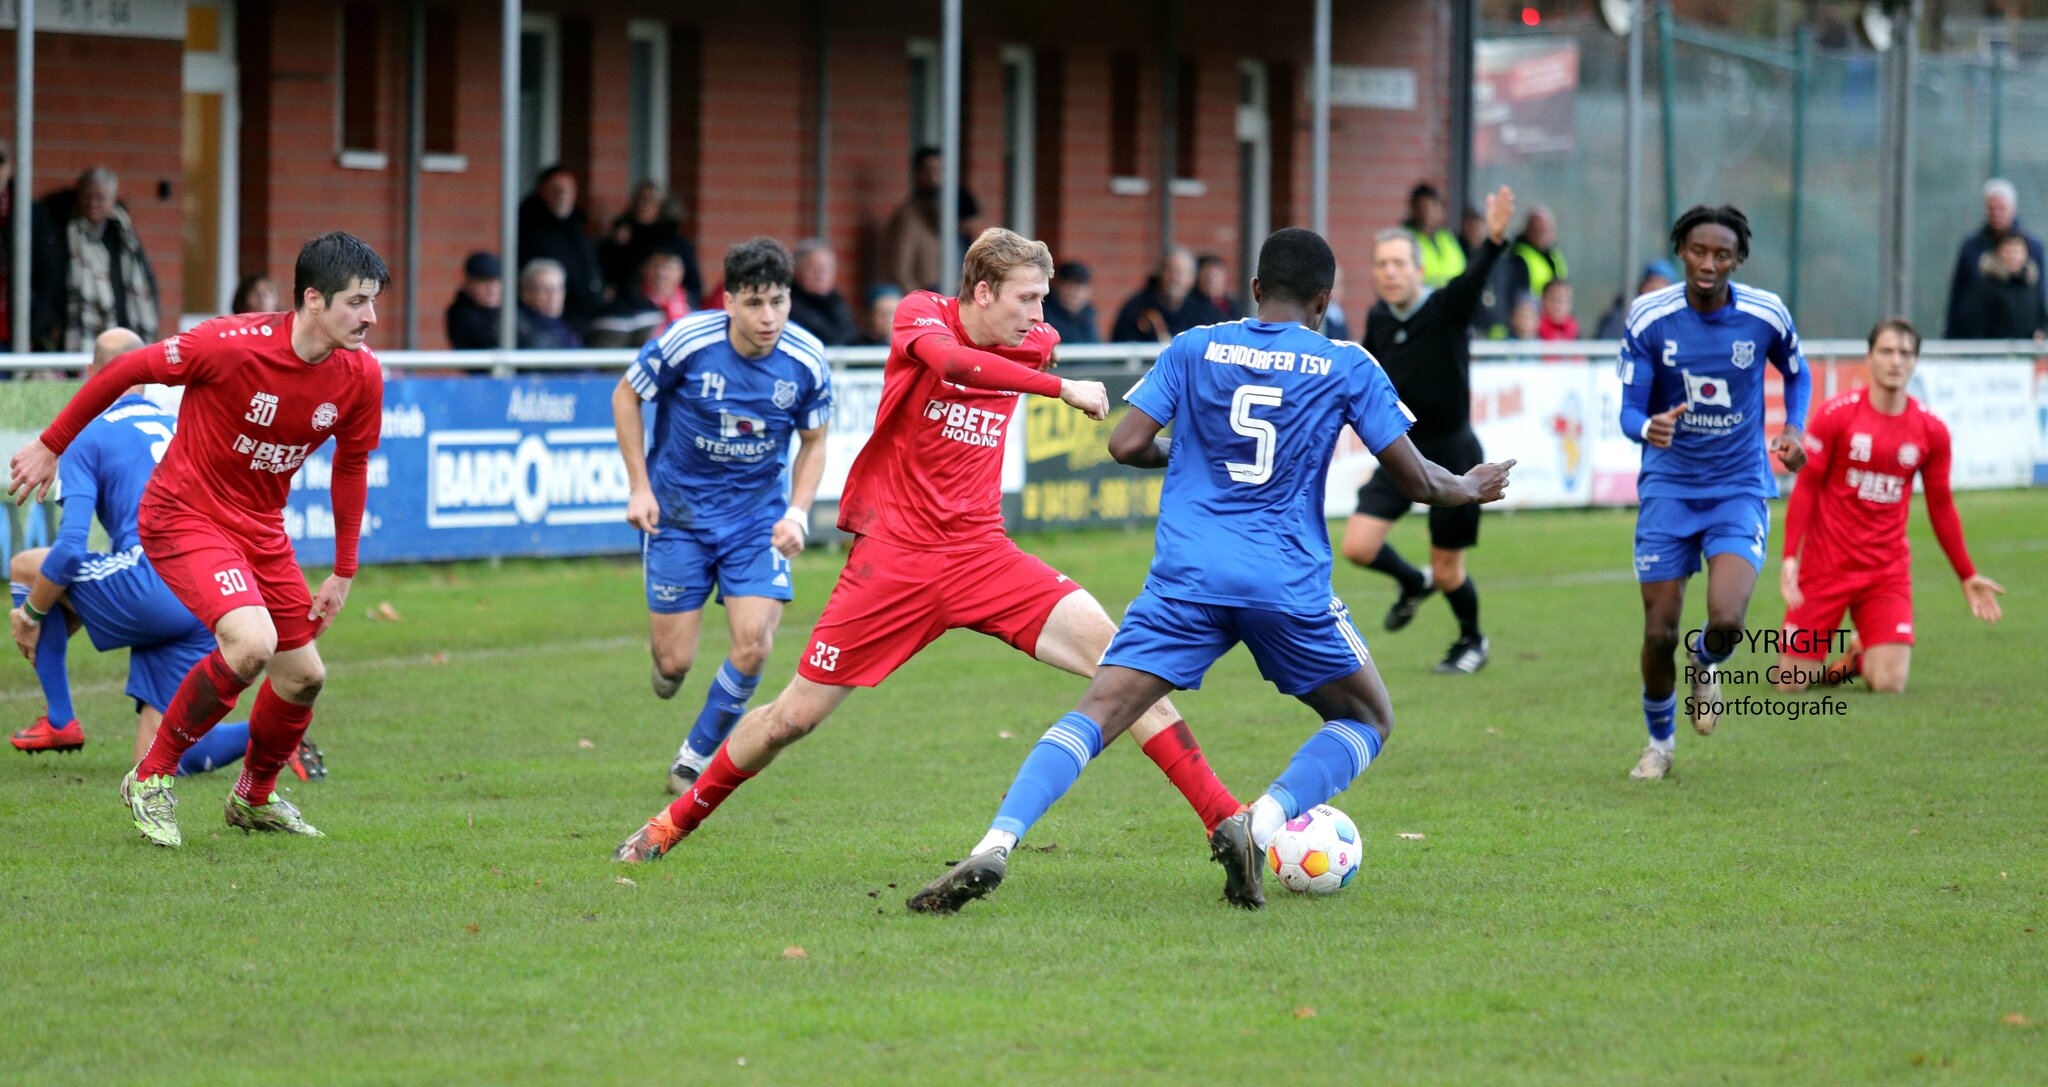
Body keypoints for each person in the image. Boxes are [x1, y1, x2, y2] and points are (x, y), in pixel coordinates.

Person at [904, 227, 1514, 913]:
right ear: (1324, 298)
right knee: (1366, 716)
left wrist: (1192, 449)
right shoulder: (1346, 362)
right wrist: (1471, 485)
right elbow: (1416, 481)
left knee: (1099, 710)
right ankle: (1260, 823)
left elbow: (1126, 443)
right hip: (1283, 581)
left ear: (1255, 291)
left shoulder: (1195, 344)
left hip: (1187, 576)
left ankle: (996, 840)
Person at [610, 228, 1241, 864]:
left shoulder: (1036, 341)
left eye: (1044, 300)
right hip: (895, 562)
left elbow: (1014, 348)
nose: (1040, 317)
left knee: (1127, 669)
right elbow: (955, 364)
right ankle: (669, 825)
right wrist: (1062, 388)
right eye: (1027, 299)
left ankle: (1227, 822)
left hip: (983, 556)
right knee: (792, 719)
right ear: (984, 291)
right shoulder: (921, 315)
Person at [8, 231, 387, 846]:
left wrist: (344, 569)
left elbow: (351, 464)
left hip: (261, 532)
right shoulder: (230, 344)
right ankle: (150, 777)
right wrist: (53, 444)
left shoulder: (360, 375)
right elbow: (129, 367)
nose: (370, 316)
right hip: (185, 517)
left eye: (374, 301)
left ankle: (253, 799)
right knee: (250, 643)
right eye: (357, 301)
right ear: (312, 300)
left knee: (303, 678)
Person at [7, 329, 307, 779]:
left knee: (28, 567)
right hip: (206, 591)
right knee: (157, 758)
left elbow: (70, 551)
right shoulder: (183, 424)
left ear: (92, 375)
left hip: (151, 578)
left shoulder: (88, 433)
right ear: (145, 378)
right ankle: (272, 735)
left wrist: (31, 615)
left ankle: (60, 719)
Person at [609, 238, 833, 793]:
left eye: (778, 302)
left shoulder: (806, 359)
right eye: (755, 303)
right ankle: (667, 667)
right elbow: (626, 396)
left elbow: (816, 440)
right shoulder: (688, 340)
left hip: (756, 521)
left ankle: (692, 759)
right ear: (728, 301)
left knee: (755, 642)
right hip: (677, 516)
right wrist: (639, 488)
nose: (768, 317)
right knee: (675, 663)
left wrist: (798, 514)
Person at [1619, 205, 1810, 781]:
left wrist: (1794, 428)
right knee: (1658, 632)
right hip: (1669, 488)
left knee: (1726, 617)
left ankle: (1707, 659)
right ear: (1682, 250)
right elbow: (1630, 408)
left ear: (1738, 259)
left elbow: (1796, 372)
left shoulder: (1764, 314)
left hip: (1738, 486)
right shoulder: (1649, 317)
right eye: (1698, 251)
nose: (1708, 263)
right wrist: (1646, 428)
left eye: (1721, 254)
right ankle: (1659, 742)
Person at [1773, 318, 2003, 695]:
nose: (1896, 360)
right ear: (1869, 357)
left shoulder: (1930, 430)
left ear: (1915, 362)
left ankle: (1861, 657)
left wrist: (1966, 574)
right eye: (1887, 351)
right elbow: (1806, 487)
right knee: (1789, 683)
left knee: (1888, 683)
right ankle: (1844, 658)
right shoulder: (1837, 415)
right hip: (1825, 566)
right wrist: (1789, 557)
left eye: (1905, 353)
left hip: (1885, 571)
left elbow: (1941, 505)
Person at [1340, 186, 1516, 675]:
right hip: (1400, 451)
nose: (1390, 272)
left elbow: (1474, 276)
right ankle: (1413, 585)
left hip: (1454, 453)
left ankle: (1471, 640)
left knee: (1448, 568)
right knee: (1357, 546)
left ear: (1419, 269)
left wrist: (1496, 240)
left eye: (1399, 263)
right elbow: (1364, 379)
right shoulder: (1377, 317)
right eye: (1382, 264)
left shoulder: (1445, 307)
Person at [30, 167, 160, 350]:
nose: (93, 203)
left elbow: (144, 282)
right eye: (87, 196)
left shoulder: (124, 233)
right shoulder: (60, 229)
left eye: (100, 197)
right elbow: (48, 280)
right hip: (72, 330)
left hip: (119, 326)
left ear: (112, 200)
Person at [1943, 178, 2045, 338]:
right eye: (1992, 208)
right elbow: (1958, 296)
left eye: (2001, 208)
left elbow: (2041, 298)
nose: (1996, 214)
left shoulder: (2034, 250)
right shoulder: (1971, 248)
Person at [516, 165, 605, 336]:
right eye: (556, 190)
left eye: (567, 190)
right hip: (552, 320)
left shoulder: (578, 224)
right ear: (542, 192)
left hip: (587, 318)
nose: (562, 196)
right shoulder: (530, 227)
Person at [880, 147, 983, 294]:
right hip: (929, 297)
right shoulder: (909, 216)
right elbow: (900, 270)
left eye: (940, 172)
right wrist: (922, 302)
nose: (934, 178)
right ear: (918, 174)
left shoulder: (952, 210)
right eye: (928, 171)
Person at [602, 180, 702, 306]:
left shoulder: (675, 244)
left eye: (649, 200)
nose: (642, 205)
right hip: (625, 306)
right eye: (639, 199)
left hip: (668, 308)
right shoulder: (622, 236)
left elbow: (694, 287)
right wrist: (615, 245)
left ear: (661, 207)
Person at [1111, 247, 1227, 343]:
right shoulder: (1136, 308)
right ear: (1161, 273)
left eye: (1182, 272)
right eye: (1171, 271)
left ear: (1192, 278)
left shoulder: (1204, 311)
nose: (1176, 278)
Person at [1951, 231, 2047, 341]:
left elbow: (2042, 319)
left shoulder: (2032, 286)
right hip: (1994, 355)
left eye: (2018, 252)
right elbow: (1972, 327)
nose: (2013, 257)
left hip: (2027, 355)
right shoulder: (1983, 288)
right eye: (2008, 251)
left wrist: (2041, 332)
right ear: (1997, 253)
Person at [586, 247, 690, 348]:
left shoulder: (690, 308)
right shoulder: (624, 308)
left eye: (669, 267)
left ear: (681, 272)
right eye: (655, 266)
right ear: (643, 269)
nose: (661, 274)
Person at [786, 239, 857, 346]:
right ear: (797, 269)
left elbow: (850, 337)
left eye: (828, 268)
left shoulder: (836, 301)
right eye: (814, 267)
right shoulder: (787, 303)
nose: (821, 275)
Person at [1404, 182, 1467, 290]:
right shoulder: (1404, 240)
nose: (1427, 212)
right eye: (1423, 207)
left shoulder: (1447, 238)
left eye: (1432, 206)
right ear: (1413, 209)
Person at [1595, 262, 1676, 340]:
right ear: (1642, 286)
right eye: (1651, 287)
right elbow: (1607, 346)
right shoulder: (1621, 314)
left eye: (1661, 289)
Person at [515, 259, 582, 350]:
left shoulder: (566, 328)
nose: (553, 296)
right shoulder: (519, 329)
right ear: (526, 293)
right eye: (544, 289)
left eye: (558, 288)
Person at [445, 251, 503, 349]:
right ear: (469, 283)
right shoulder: (462, 313)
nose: (492, 289)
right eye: (484, 282)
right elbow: (489, 341)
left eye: (496, 282)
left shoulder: (509, 310)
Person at [1041, 260, 1099, 345]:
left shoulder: (1088, 314)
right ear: (1058, 285)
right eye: (1070, 286)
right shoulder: (1042, 313)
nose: (1076, 293)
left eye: (1081, 288)